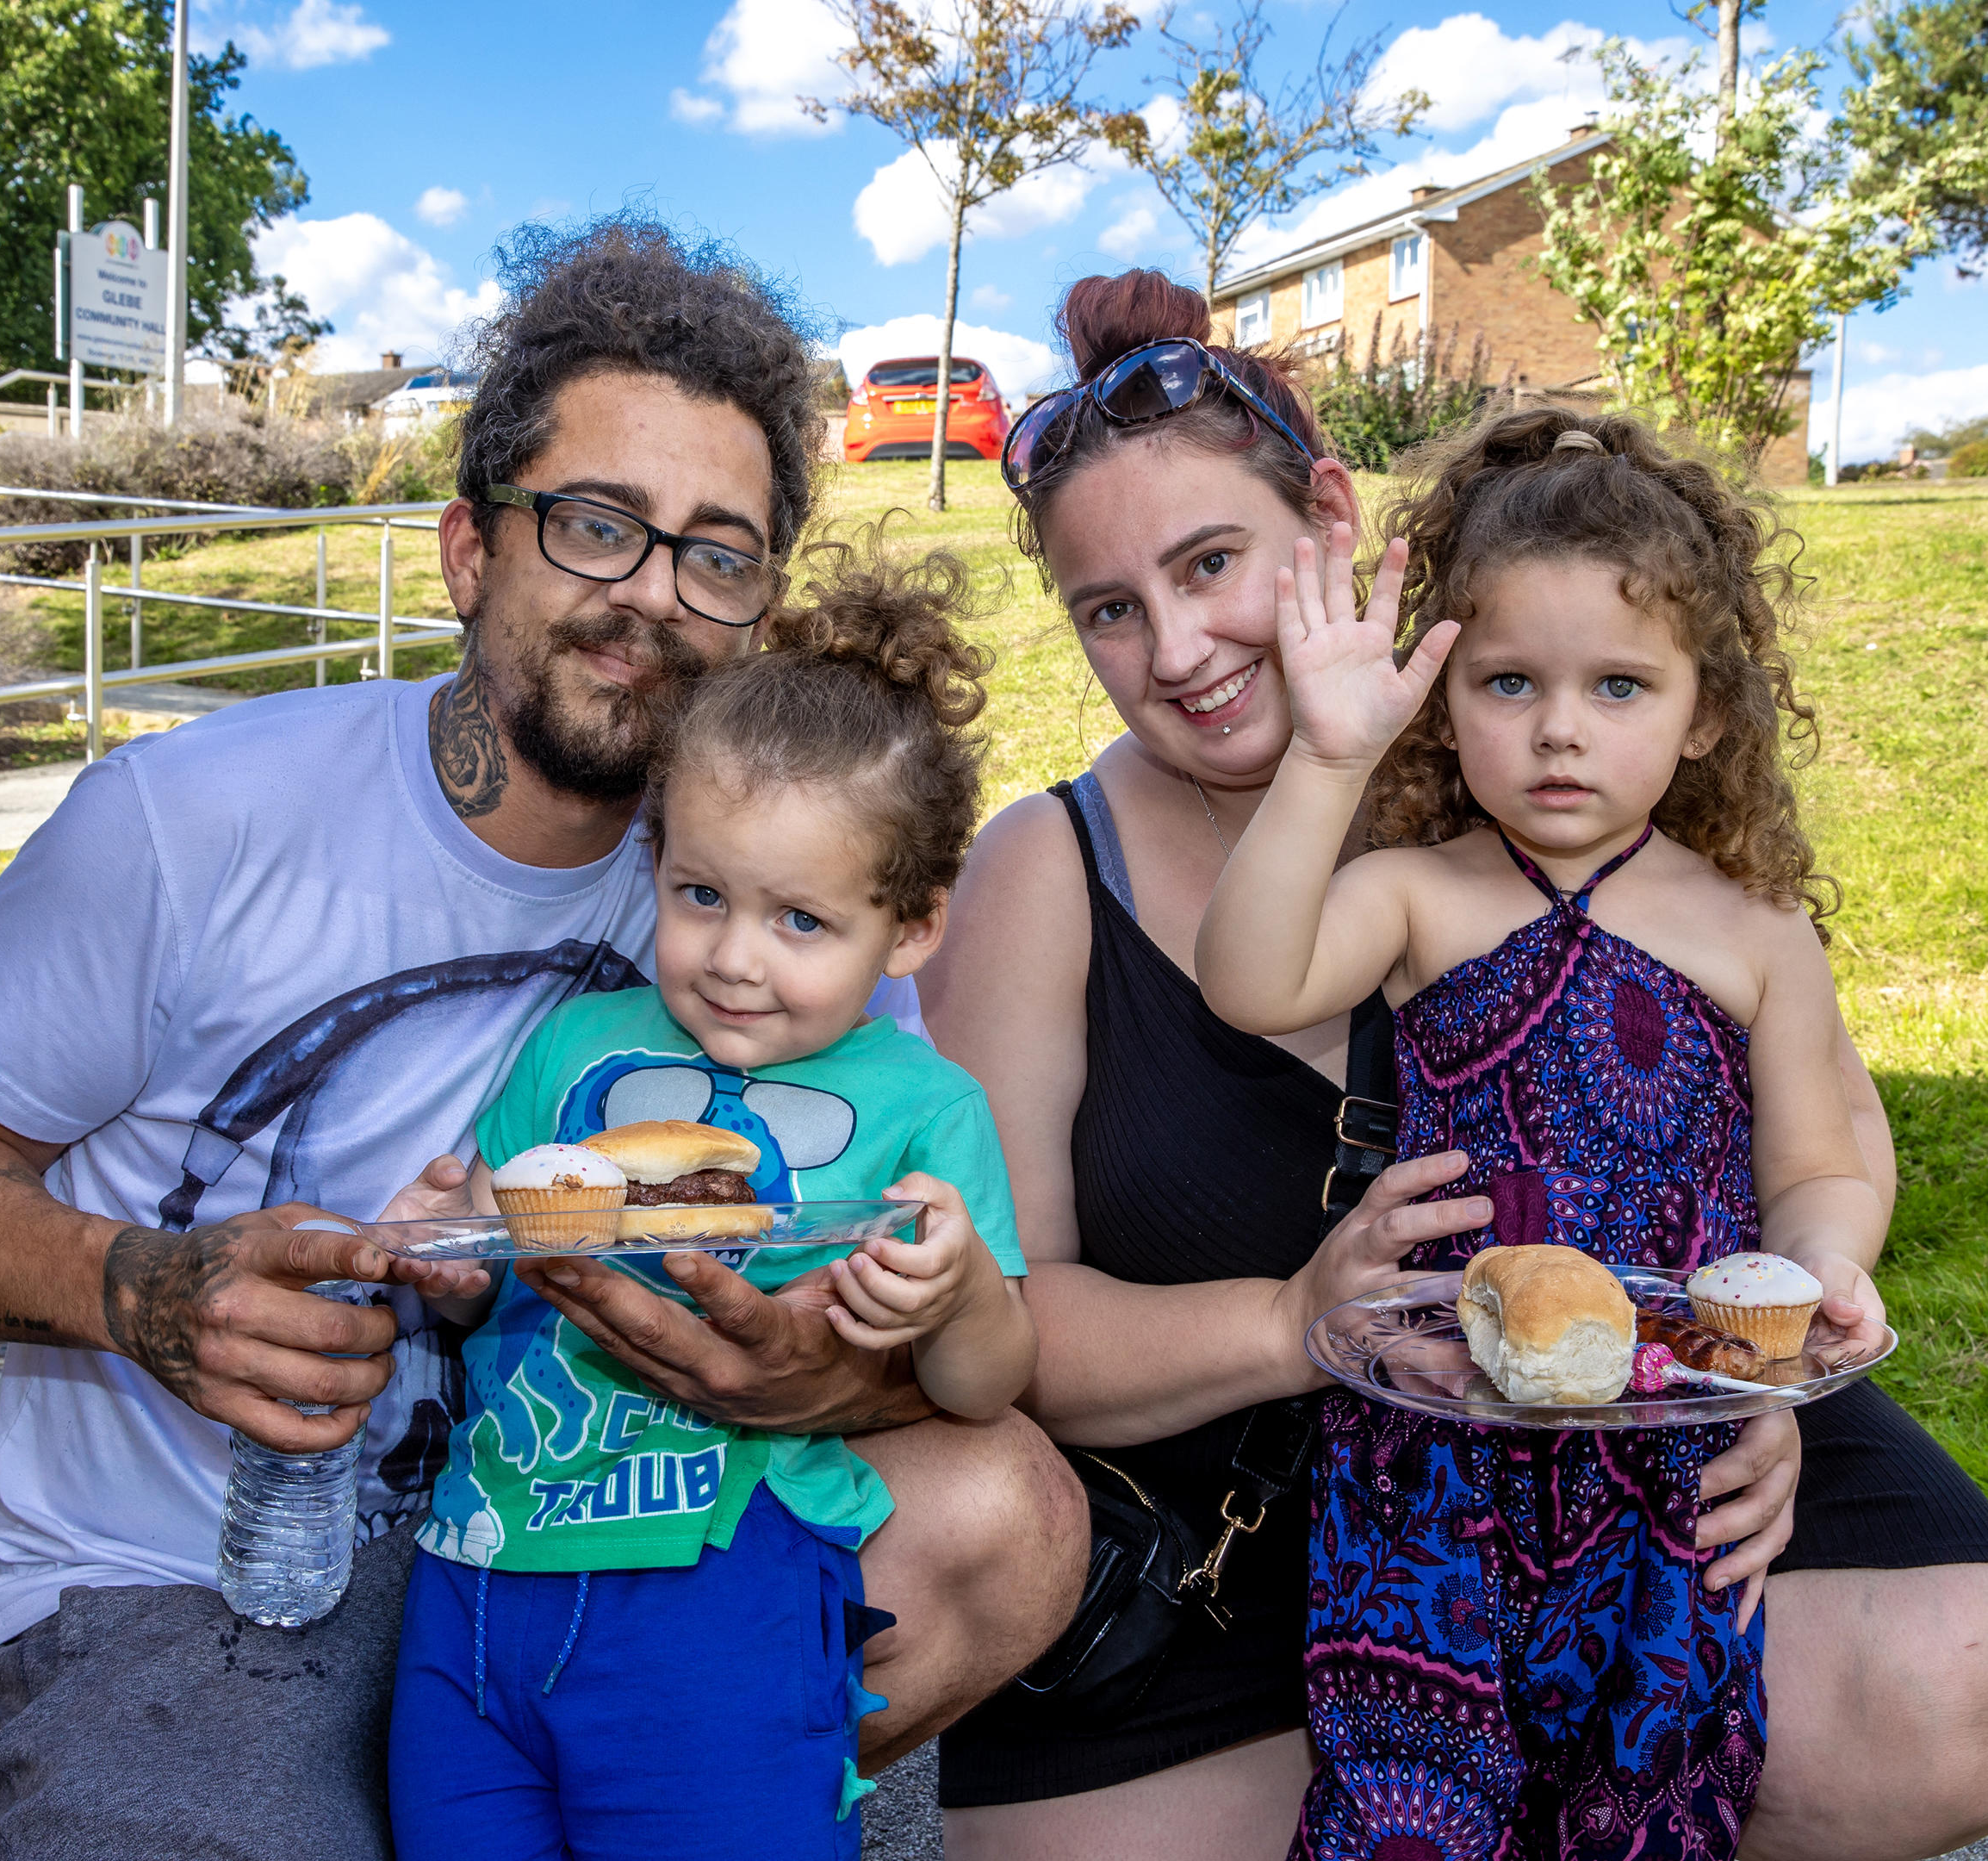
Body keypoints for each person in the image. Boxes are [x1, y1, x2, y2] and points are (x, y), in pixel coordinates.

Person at [0, 217, 1084, 1861]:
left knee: (1011, 1513)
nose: (651, 595)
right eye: (594, 525)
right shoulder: (185, 823)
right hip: (194, 1579)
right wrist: (138, 1292)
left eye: (718, 552)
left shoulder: (787, 912)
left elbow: (914, 1317)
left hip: (583, 1542)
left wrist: (820, 1371)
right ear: (470, 549)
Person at [921, 268, 1988, 1861]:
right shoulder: (1050, 869)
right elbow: (1006, 1321)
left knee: (1952, 1680)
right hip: (1278, 1523)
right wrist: (1295, 1322)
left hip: (1632, 1434)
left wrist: (1746, 1386)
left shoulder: (1574, 790)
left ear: (1334, 518)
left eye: (1212, 562)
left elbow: (1816, 1134)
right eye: (1108, 608)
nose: (1180, 647)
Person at [1195, 404, 1887, 1857]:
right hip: (1431, 1451)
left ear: (1705, 712)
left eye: (1620, 685)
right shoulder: (1415, 894)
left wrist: (1816, 1274)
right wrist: (1325, 760)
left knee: (1647, 1796)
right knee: (1413, 1803)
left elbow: (1816, 1163)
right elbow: (1250, 981)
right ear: (1443, 702)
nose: (1559, 727)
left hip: (1669, 1449)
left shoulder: (1752, 928)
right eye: (1508, 681)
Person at [386, 534, 1039, 1860]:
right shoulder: (575, 1047)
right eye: (700, 896)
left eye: (800, 921)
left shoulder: (927, 1108)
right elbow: (488, 1265)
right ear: (656, 861)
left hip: (720, 1592)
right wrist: (444, 1257)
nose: (736, 959)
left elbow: (986, 1385)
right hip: (479, 1572)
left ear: (911, 926)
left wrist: (961, 1290)